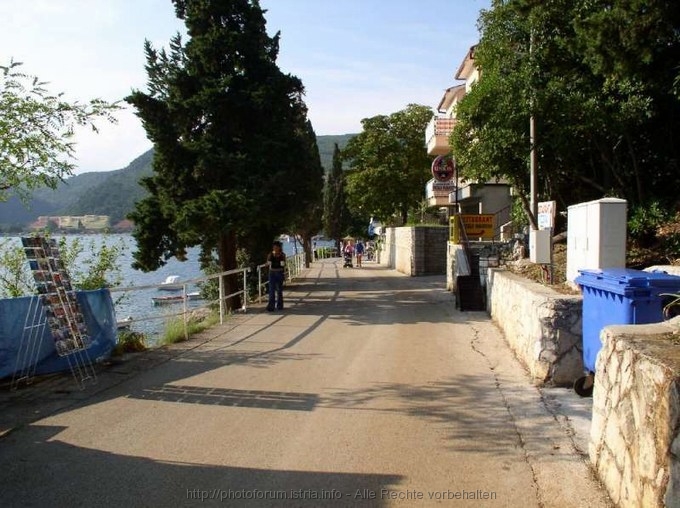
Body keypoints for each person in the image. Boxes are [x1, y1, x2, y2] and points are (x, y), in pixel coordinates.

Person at [266, 240, 286, 311]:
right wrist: (269, 259)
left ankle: (279, 306)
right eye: (274, 247)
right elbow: (268, 264)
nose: (275, 249)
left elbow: (282, 266)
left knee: (279, 290)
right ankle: (271, 306)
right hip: (272, 274)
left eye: (276, 247)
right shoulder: (270, 254)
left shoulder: (282, 255)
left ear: (279, 247)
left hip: (279, 274)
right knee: (271, 290)